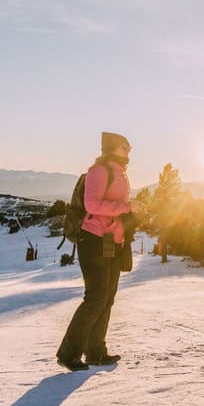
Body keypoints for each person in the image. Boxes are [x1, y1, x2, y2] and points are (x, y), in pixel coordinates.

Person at [57, 132, 141, 371]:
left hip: (112, 242)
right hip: (93, 240)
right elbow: (91, 205)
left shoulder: (120, 173)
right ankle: (68, 353)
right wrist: (126, 207)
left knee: (107, 298)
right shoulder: (99, 172)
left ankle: (95, 352)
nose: (130, 151)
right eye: (127, 147)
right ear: (114, 148)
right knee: (95, 298)